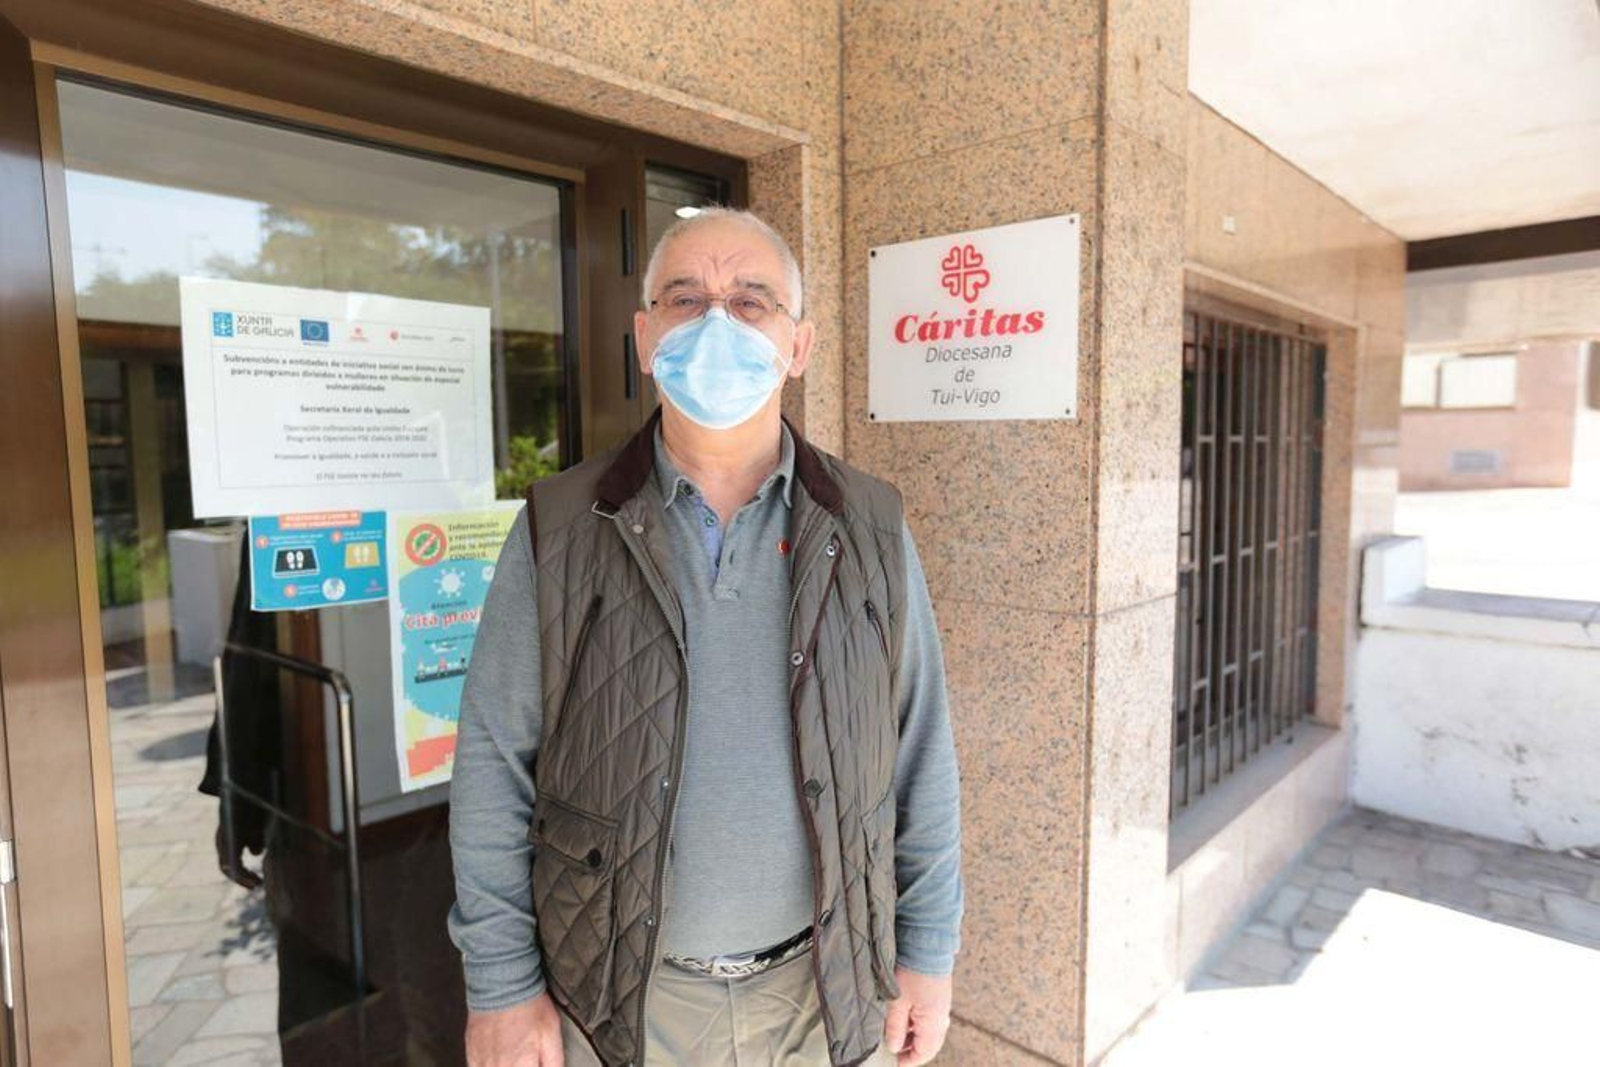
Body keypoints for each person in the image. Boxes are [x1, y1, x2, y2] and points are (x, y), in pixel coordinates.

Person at [447, 207, 964, 1067]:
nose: (716, 322)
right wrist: (501, 984)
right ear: (646, 338)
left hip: (827, 993)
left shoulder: (870, 524)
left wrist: (929, 950)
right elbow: (493, 765)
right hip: (618, 1001)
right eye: (687, 299)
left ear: (799, 345)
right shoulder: (561, 527)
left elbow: (922, 754)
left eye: (751, 301)